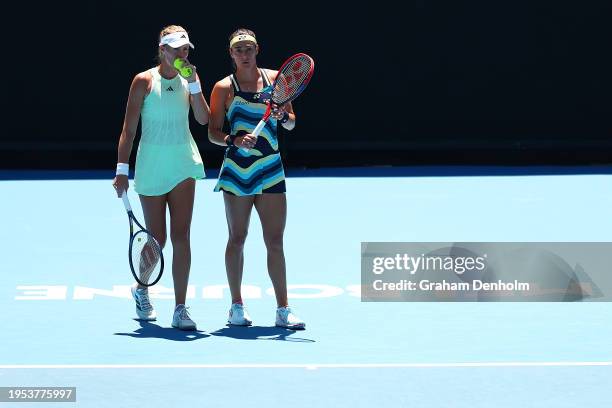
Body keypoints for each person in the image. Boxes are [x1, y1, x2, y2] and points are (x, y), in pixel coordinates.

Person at [112, 25, 210, 330]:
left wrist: (193, 85)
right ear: (162, 49)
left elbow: (203, 119)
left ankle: (180, 308)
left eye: (185, 49)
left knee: (182, 236)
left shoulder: (190, 78)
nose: (182, 53)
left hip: (183, 163)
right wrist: (121, 171)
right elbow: (128, 130)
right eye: (175, 48)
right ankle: (142, 288)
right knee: (158, 238)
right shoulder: (143, 81)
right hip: (152, 165)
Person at [208, 28, 305, 329]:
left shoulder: (277, 80)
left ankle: (283, 309)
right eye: (239, 49)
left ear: (257, 49)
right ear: (231, 54)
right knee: (237, 238)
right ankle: (236, 306)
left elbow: (291, 123)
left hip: (271, 169)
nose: (245, 54)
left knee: (275, 241)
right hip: (238, 171)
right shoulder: (223, 88)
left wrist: (282, 116)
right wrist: (234, 141)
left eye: (249, 48)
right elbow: (213, 133)